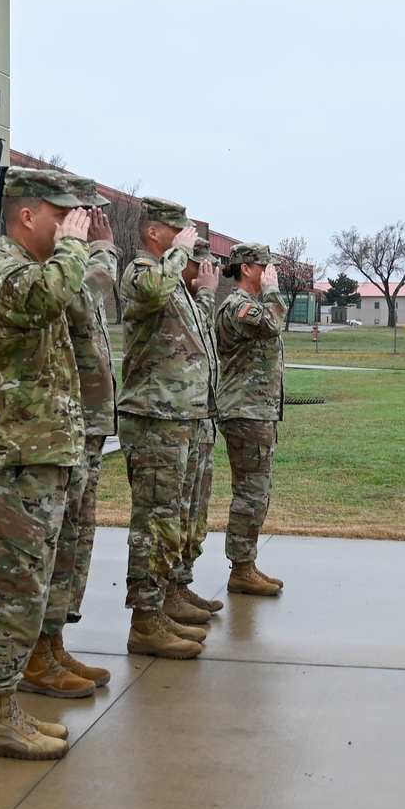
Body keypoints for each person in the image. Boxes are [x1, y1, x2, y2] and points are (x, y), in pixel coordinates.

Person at [0, 167, 91, 758]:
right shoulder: (9, 273)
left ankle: (6, 703)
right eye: (59, 216)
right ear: (27, 216)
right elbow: (51, 295)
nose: (69, 226)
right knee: (12, 591)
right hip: (18, 463)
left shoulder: (30, 272)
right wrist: (73, 246)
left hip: (38, 458)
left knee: (28, 590)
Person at [19, 176, 117, 698]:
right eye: (75, 214)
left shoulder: (64, 266)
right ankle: (38, 654)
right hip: (54, 431)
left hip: (82, 423)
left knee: (74, 542)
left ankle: (52, 644)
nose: (84, 222)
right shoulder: (44, 271)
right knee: (54, 545)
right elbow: (83, 297)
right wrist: (95, 247)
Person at [117, 197, 213, 658]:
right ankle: (145, 621)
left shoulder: (174, 281)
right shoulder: (141, 273)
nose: (188, 243)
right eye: (180, 233)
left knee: (172, 519)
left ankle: (165, 602)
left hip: (178, 418)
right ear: (155, 232)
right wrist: (179, 256)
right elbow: (152, 291)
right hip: (154, 419)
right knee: (154, 522)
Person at [214, 242, 286, 597]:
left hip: (255, 411)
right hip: (244, 412)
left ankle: (246, 564)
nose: (269, 272)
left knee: (258, 493)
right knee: (249, 494)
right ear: (246, 268)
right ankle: (241, 568)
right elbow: (272, 324)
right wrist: (272, 290)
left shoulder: (251, 305)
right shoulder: (238, 306)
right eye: (264, 267)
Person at [167, 237, 224, 614]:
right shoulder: (158, 286)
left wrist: (203, 293)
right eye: (197, 263)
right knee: (174, 512)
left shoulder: (189, 298)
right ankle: (165, 595)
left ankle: (181, 584)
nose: (205, 271)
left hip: (201, 420)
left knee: (195, 511)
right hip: (175, 420)